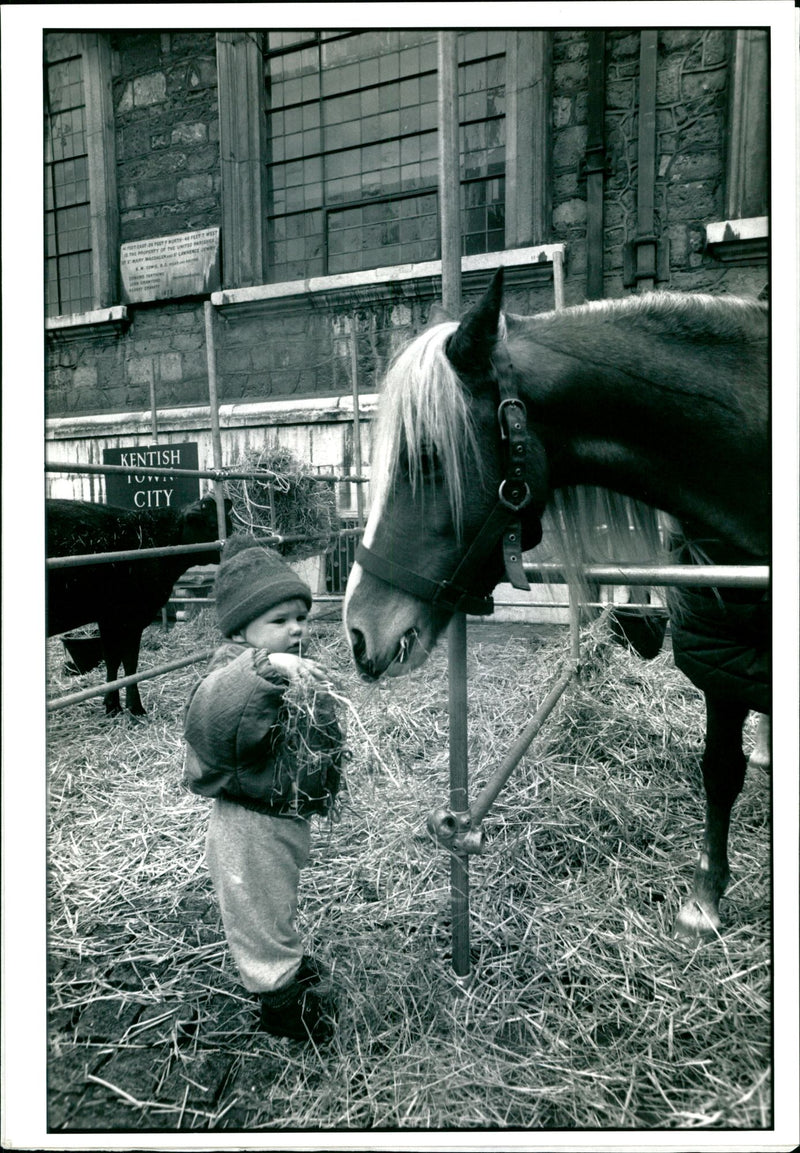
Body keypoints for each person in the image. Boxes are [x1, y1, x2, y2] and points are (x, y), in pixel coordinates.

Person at [183, 534, 344, 1043]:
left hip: (280, 816)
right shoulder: (229, 673)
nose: (296, 629)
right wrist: (269, 666)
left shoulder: (286, 667)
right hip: (247, 823)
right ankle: (279, 1003)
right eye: (279, 622)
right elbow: (211, 716)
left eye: (300, 617)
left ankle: (285, 960)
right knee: (256, 911)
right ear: (241, 630)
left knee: (275, 902)